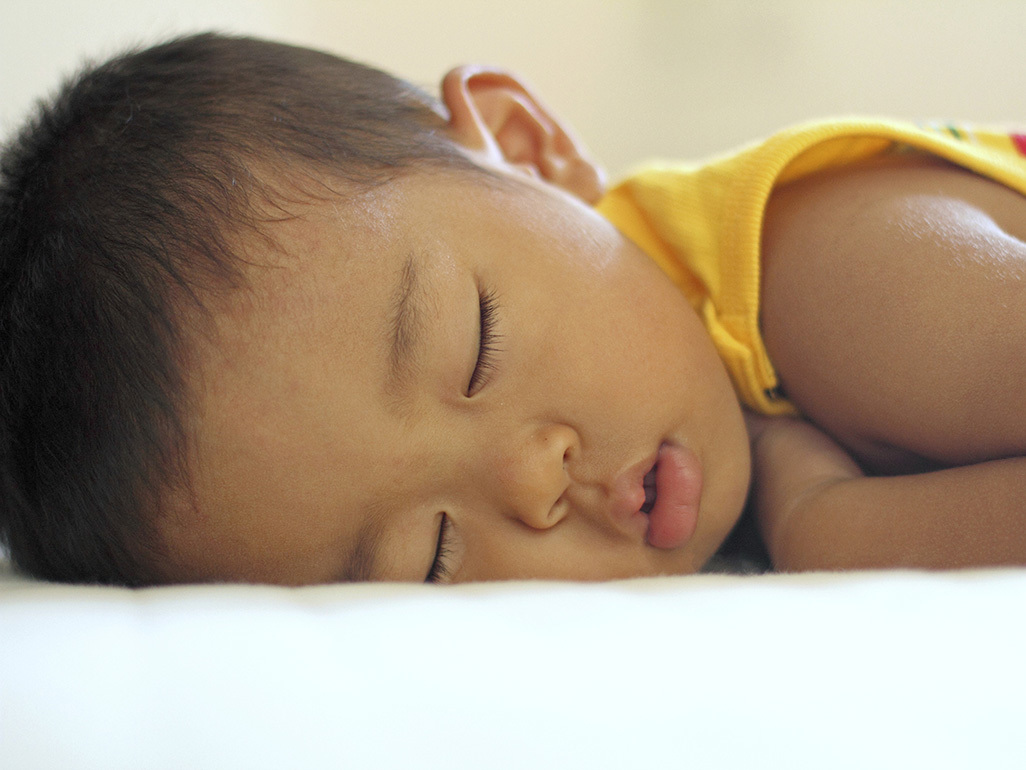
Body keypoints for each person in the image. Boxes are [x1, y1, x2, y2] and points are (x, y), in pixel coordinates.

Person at [1, 33, 1023, 587]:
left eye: (478, 345)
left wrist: (839, 533)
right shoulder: (727, 401)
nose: (534, 483)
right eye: (434, 554)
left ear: (528, 146)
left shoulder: (836, 278)